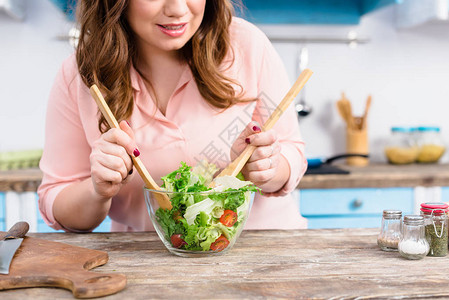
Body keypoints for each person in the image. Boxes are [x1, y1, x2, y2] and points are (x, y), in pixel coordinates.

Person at [38, 0, 308, 232]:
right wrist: (97, 190)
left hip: (267, 260)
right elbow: (57, 201)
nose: (178, 9)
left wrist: (266, 168)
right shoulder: (80, 75)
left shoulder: (248, 44)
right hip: (152, 268)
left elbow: (291, 153)